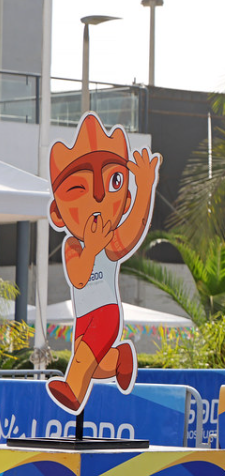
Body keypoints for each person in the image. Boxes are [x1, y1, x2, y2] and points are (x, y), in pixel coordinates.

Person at [45, 113, 161, 414]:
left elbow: (134, 229)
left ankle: (72, 391)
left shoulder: (111, 241)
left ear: (124, 201)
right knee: (95, 365)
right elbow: (78, 277)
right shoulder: (72, 245)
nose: (97, 196)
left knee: (82, 360)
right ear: (58, 214)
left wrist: (145, 188)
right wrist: (91, 248)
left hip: (106, 312)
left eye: (113, 182)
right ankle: (120, 359)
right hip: (83, 316)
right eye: (78, 188)